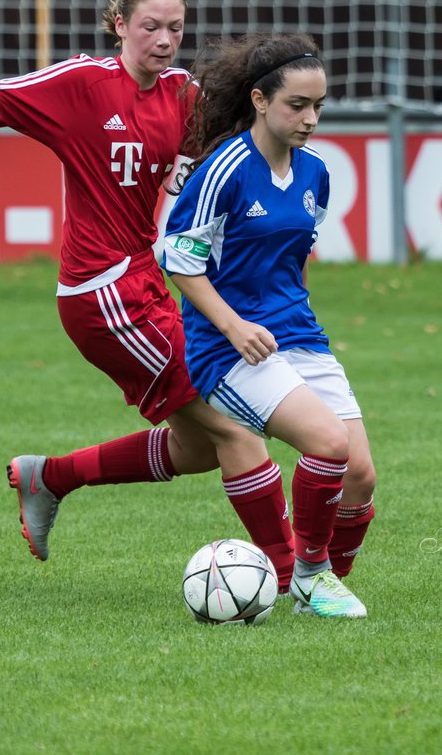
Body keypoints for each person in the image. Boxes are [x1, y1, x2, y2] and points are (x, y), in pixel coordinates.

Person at [0, 0, 295, 589]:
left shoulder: (184, 98)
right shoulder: (83, 83)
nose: (165, 39)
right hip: (103, 291)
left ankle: (51, 477)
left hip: (147, 283)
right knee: (235, 428)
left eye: (175, 27)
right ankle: (293, 577)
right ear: (120, 24)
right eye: (150, 26)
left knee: (202, 447)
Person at [160, 32, 377, 618]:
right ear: (259, 100)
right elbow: (177, 259)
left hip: (298, 337)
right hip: (227, 347)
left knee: (359, 476)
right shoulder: (224, 168)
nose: (310, 119)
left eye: (319, 106)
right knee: (328, 445)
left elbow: (290, 261)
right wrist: (233, 326)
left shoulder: (315, 174)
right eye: (297, 105)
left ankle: (321, 586)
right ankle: (308, 576)